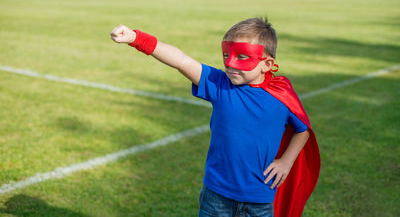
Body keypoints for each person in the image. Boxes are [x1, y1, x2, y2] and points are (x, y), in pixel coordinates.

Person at [110, 17, 320, 217]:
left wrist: (286, 161)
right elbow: (181, 61)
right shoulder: (220, 85)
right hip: (216, 195)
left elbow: (302, 130)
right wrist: (136, 38)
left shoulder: (281, 95)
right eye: (226, 55)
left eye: (242, 57)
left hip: (260, 198)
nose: (230, 64)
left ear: (266, 64)